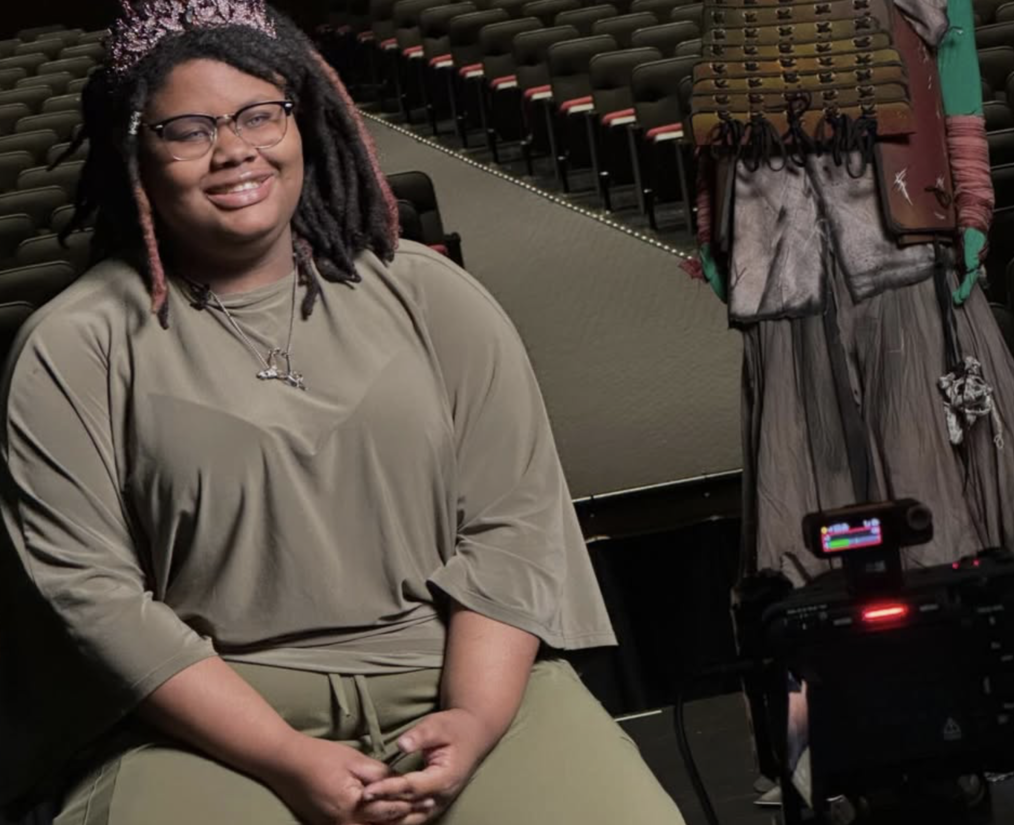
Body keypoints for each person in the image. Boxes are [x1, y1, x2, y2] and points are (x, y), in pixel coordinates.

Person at [0, 3, 687, 824]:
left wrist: (471, 720)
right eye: (188, 128)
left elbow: (513, 526)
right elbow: (94, 598)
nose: (236, 150)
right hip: (210, 715)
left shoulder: (434, 298)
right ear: (132, 150)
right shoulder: (71, 348)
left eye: (261, 114)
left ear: (303, 122)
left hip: (459, 677)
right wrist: (286, 758)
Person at [685, 0, 1014, 582]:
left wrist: (971, 203)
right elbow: (726, 84)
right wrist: (712, 222)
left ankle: (940, 597)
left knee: (915, 434)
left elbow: (954, 72)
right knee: (808, 451)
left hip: (892, 229)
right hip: (776, 236)